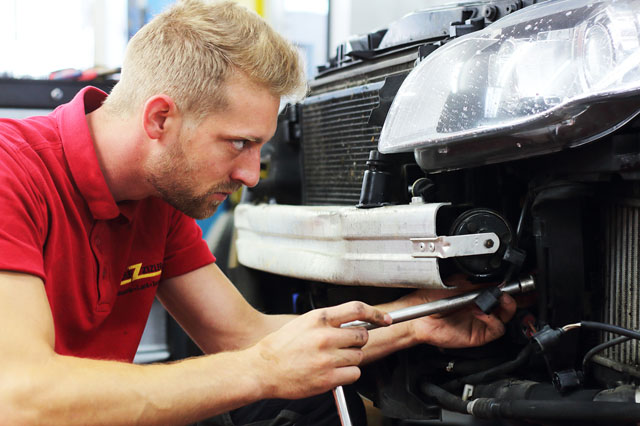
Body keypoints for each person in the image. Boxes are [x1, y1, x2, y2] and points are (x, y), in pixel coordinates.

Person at [0, 0, 516, 425]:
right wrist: (259, 371)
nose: (251, 174)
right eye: (238, 144)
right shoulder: (12, 174)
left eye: (259, 148)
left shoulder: (161, 197)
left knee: (309, 400)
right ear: (160, 117)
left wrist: (418, 319)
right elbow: (21, 398)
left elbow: (241, 336)